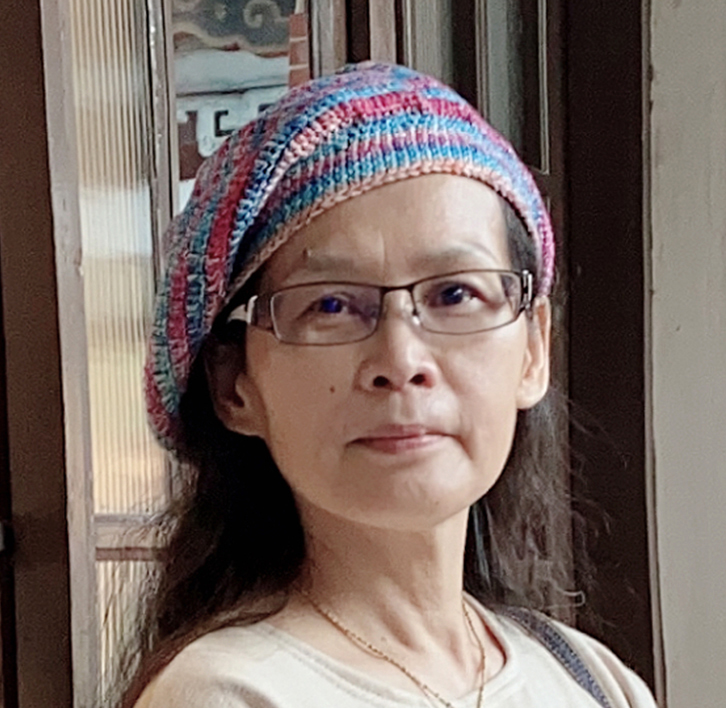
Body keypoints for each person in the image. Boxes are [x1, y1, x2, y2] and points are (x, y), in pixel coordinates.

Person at [127, 63, 657, 708]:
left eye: (456, 294)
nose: (401, 360)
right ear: (235, 385)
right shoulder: (231, 694)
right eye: (329, 305)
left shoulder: (590, 679)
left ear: (532, 350)